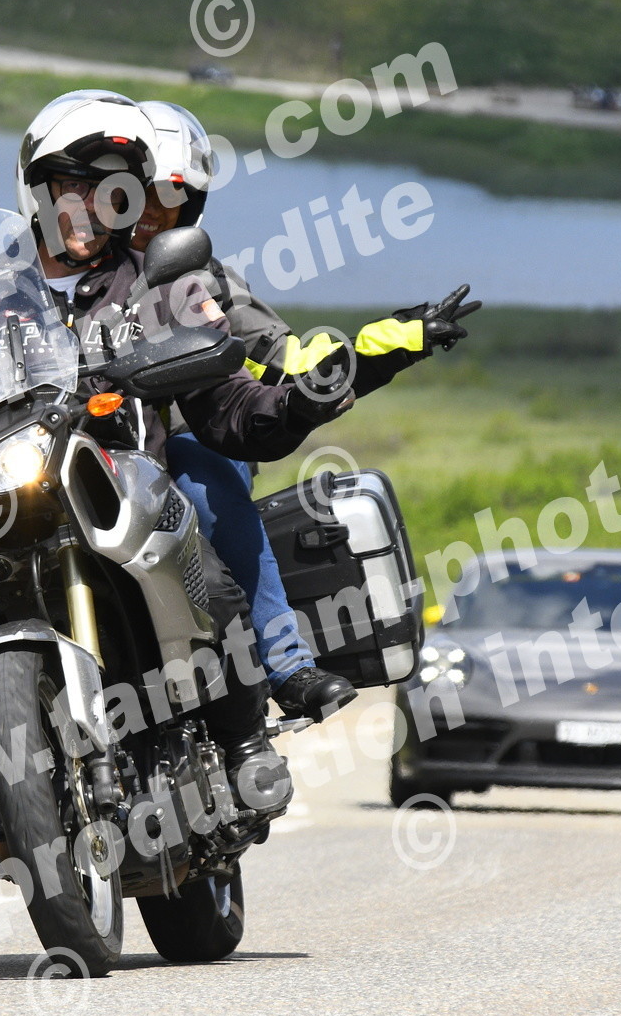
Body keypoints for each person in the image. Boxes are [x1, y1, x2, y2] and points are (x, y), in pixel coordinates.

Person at [15, 89, 357, 809]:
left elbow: (227, 400)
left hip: (128, 487)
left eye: (113, 191)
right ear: (36, 189)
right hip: (14, 491)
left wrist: (294, 403)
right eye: (73, 188)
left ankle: (245, 739)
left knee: (209, 570)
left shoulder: (162, 286)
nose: (93, 207)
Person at [131, 98, 481, 721]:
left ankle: (285, 664)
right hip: (62, 446)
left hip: (182, 439)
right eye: (140, 196)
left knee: (205, 476)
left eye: (171, 200)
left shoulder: (201, 282)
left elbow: (287, 360)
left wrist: (388, 345)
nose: (154, 213)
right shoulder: (43, 273)